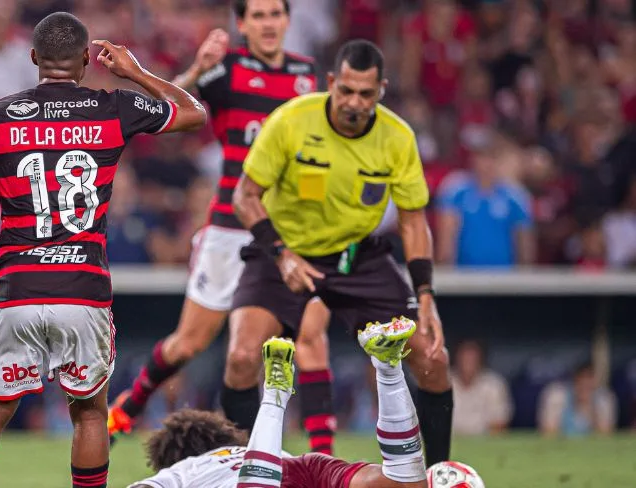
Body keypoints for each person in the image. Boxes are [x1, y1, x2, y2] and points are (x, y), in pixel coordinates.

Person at [0, 12, 206, 488]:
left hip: (15, 287)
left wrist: (0, 250)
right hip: (83, 288)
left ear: (33, 58)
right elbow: (194, 113)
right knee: (89, 414)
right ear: (88, 59)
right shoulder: (113, 107)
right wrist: (135, 72)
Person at [229, 39, 453, 466]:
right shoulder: (291, 121)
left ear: (381, 90)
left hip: (357, 259)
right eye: (346, 90)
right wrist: (281, 254)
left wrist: (425, 294)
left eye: (366, 94)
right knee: (241, 358)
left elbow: (412, 220)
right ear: (331, 82)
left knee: (433, 358)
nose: (355, 102)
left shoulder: (397, 138)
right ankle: (235, 473)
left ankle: (437, 474)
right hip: (283, 253)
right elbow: (245, 197)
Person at [108, 0, 317, 443]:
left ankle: (296, 452)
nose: (267, 24)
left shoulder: (309, 77)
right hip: (228, 227)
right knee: (189, 344)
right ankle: (128, 405)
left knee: (290, 347)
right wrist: (197, 69)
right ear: (241, 24)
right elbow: (166, 107)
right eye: (257, 16)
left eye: (274, 14)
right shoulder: (227, 68)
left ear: (287, 20)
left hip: (287, 233)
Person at [129, 318, 427, 488]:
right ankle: (388, 369)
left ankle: (274, 395)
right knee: (401, 484)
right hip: (299, 466)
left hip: (263, 474)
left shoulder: (182, 471)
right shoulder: (240, 451)